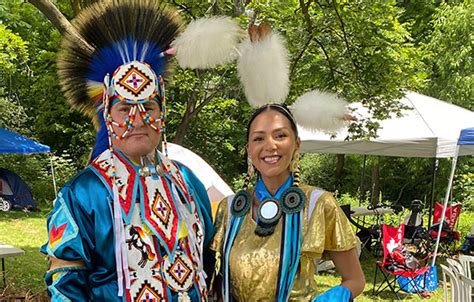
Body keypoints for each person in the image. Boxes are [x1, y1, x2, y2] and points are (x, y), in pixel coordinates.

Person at [40, 0, 221, 300]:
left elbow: (207, 263)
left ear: (162, 114)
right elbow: (65, 288)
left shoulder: (188, 183)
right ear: (108, 117)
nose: (137, 120)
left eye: (148, 106)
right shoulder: (82, 195)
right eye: (124, 108)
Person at [211, 104, 365, 301]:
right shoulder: (230, 209)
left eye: (280, 136)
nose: (270, 145)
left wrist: (336, 296)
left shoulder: (318, 204)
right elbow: (218, 280)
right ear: (249, 149)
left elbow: (355, 279)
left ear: (297, 143)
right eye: (259, 138)